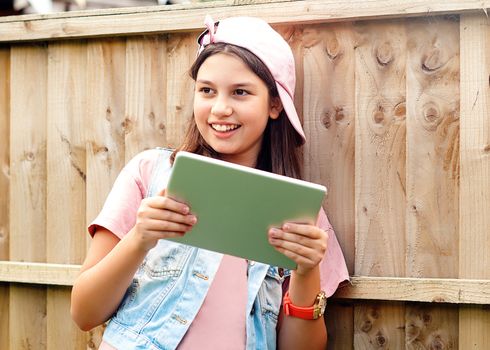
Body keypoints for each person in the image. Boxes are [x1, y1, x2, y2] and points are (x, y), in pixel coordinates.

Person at [71, 16, 349, 350]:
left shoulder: (301, 215)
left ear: (275, 104)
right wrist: (140, 239)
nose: (220, 109)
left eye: (240, 93)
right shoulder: (149, 174)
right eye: (207, 90)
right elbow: (84, 312)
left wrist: (306, 270)